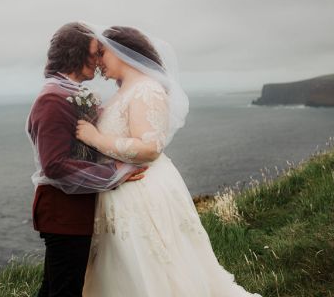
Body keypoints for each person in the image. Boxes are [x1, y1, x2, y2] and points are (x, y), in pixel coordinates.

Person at [76, 25, 262, 296]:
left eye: (102, 54)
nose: (97, 63)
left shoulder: (147, 89)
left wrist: (95, 139)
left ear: (120, 51)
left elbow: (150, 147)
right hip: (119, 191)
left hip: (143, 192)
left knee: (151, 269)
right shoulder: (124, 91)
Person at [26, 22, 146, 297]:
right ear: (75, 52)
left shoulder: (70, 94)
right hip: (62, 211)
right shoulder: (51, 100)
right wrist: (114, 174)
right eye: (94, 52)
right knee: (65, 290)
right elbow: (54, 165)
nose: (98, 59)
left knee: (54, 288)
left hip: (74, 210)